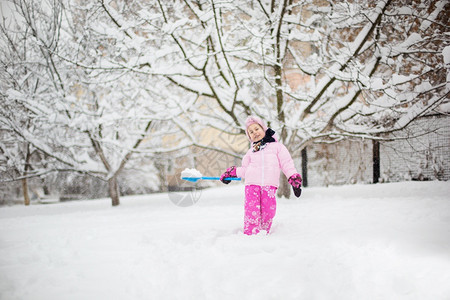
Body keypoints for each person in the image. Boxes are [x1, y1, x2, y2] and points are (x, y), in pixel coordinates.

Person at [220, 116, 302, 235]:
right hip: (251, 185)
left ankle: (263, 233)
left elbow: (287, 163)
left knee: (269, 211)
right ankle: (251, 234)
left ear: (263, 128)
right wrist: (232, 173)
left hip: (269, 186)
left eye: (256, 129)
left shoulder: (278, 147)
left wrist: (293, 177)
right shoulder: (251, 152)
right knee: (251, 211)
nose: (255, 133)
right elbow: (245, 169)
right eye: (251, 132)